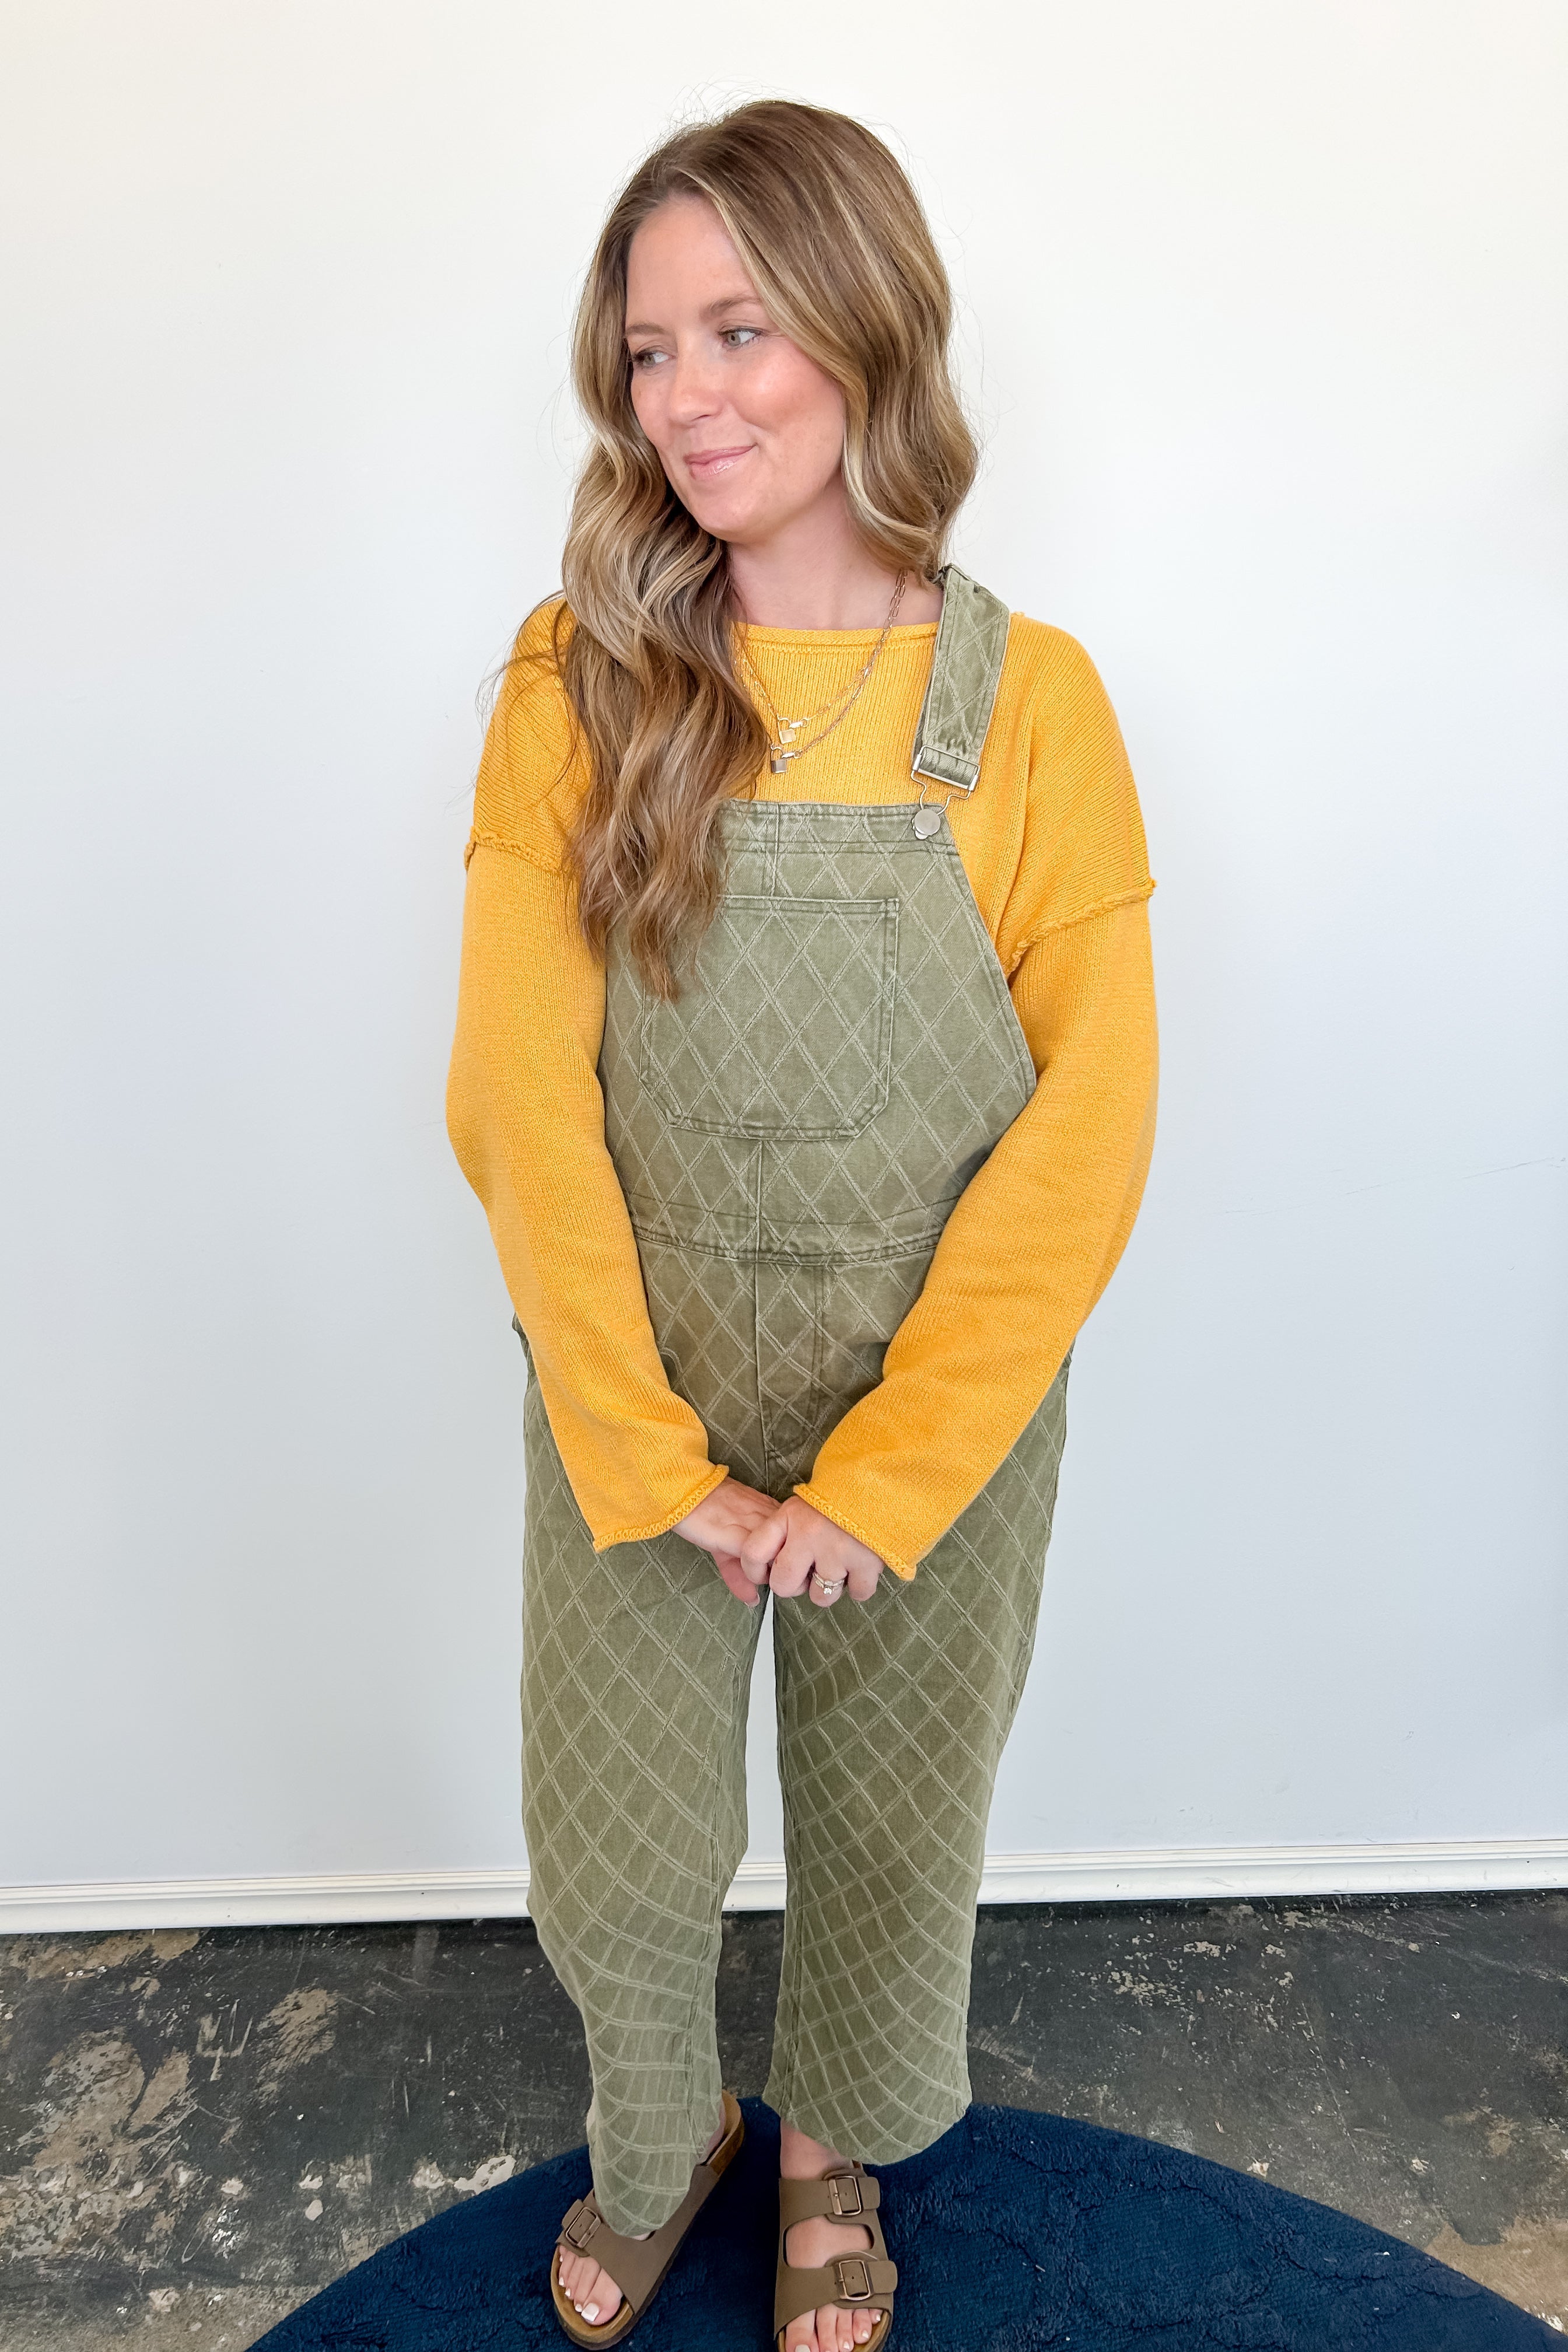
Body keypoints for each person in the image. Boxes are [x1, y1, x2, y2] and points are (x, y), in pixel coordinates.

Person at [447, 98, 1157, 2352]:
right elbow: (515, 1096)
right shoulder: (581, 686)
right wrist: (643, 1450)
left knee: (889, 1835)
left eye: (737, 328)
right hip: (632, 1414)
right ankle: (662, 2144)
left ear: (866, 328)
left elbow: (1091, 1125)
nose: (685, 397)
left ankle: (834, 2145)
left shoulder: (1027, 709)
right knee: (622, 1850)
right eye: (647, 350)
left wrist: (900, 1466)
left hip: (928, 1432)